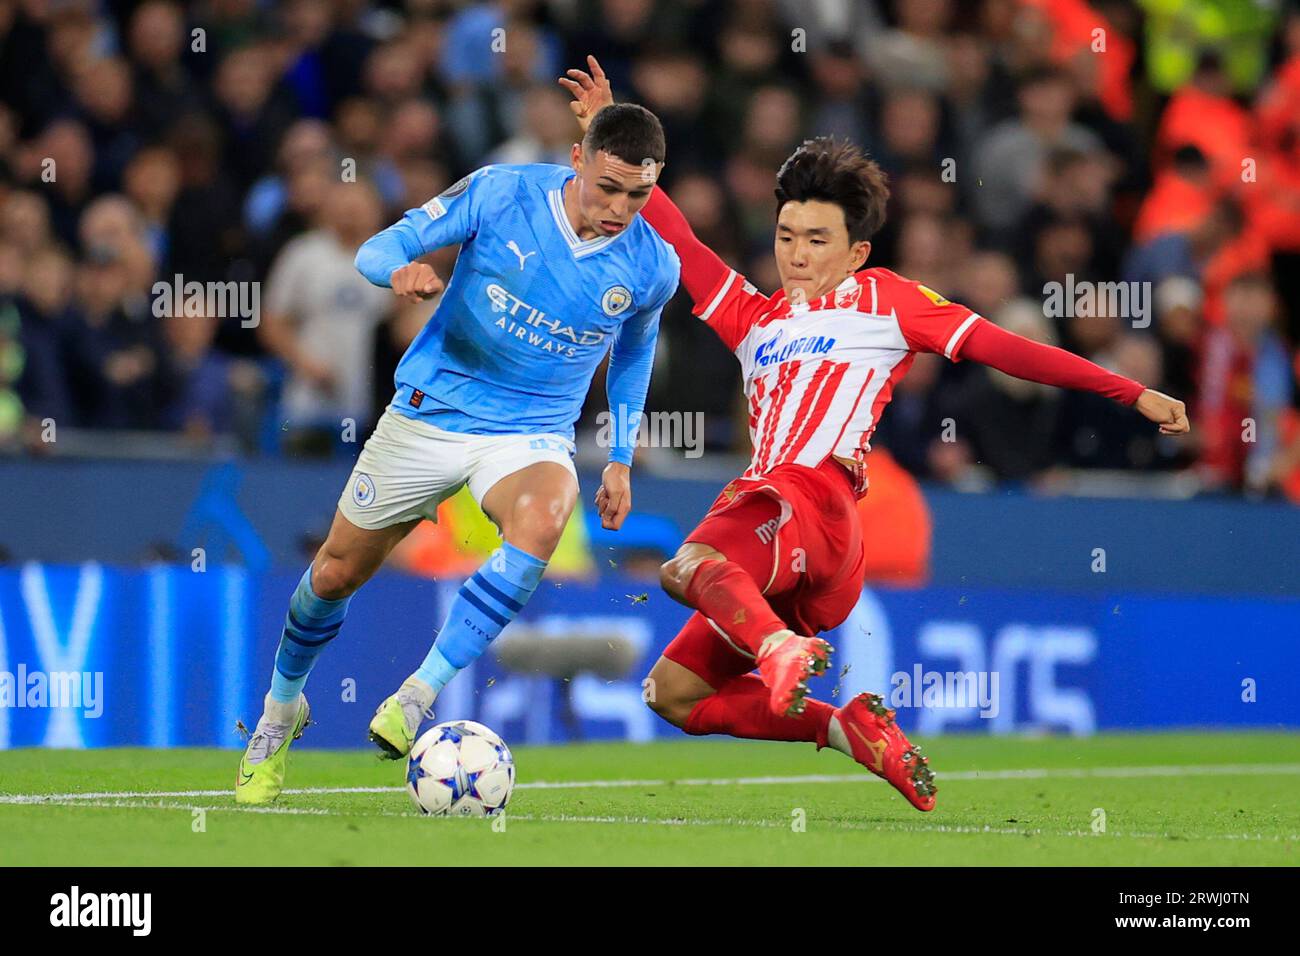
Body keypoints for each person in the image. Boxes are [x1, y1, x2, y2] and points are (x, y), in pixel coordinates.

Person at [562, 57, 1189, 812]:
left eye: (818, 240)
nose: (796, 253)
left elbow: (1008, 348)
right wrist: (607, 129)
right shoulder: (753, 319)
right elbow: (679, 239)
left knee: (686, 563)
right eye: (787, 235)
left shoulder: (885, 301)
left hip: (811, 502)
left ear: (857, 252)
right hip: (797, 555)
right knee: (674, 695)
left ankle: (777, 648)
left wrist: (1132, 391)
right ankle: (846, 730)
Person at [235, 102, 680, 804]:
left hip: (530, 432)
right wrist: (400, 273)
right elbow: (376, 248)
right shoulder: (502, 192)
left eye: (639, 194)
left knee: (543, 519)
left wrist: (619, 454)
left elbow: (633, 351)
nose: (621, 208)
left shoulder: (653, 264)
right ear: (576, 159)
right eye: (608, 188)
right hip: (431, 411)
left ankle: (417, 695)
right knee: (334, 575)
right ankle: (279, 713)